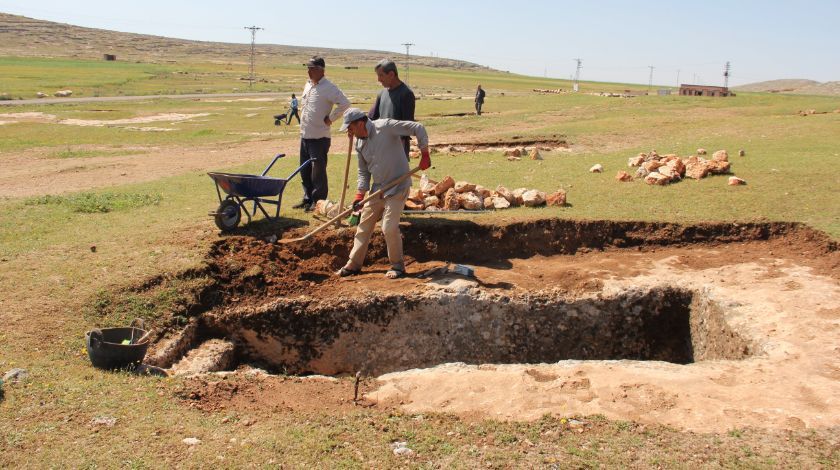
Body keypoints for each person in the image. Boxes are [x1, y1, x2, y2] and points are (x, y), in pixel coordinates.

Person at [335, 108, 431, 279]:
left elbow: (418, 127)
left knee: (388, 227)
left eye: (350, 127)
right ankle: (354, 264)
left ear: (360, 123)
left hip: (398, 186)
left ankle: (398, 266)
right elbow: (363, 172)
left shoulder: (385, 127)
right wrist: (359, 195)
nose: (349, 132)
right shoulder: (359, 143)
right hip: (378, 189)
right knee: (364, 225)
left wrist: (424, 153)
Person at [293, 56, 351, 211]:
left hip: (319, 137)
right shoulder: (308, 85)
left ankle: (318, 201)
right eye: (308, 68)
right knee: (304, 169)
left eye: (312, 69)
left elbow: (345, 103)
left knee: (318, 171)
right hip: (305, 135)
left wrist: (331, 118)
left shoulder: (329, 87)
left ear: (321, 70)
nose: (308, 71)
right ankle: (308, 198)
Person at [368, 59, 416, 159]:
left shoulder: (406, 94)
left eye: (381, 75)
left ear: (391, 74)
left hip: (398, 149)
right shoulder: (382, 93)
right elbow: (371, 117)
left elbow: (408, 127)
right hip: (381, 146)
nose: (378, 79)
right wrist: (356, 124)